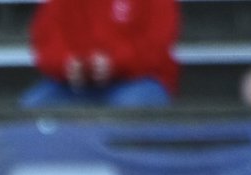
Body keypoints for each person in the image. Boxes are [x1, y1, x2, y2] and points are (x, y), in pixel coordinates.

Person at [21, 0, 179, 109]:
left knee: (129, 108)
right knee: (31, 108)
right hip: (73, 84)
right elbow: (47, 39)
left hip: (137, 80)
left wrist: (115, 63)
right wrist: (67, 64)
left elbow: (156, 45)